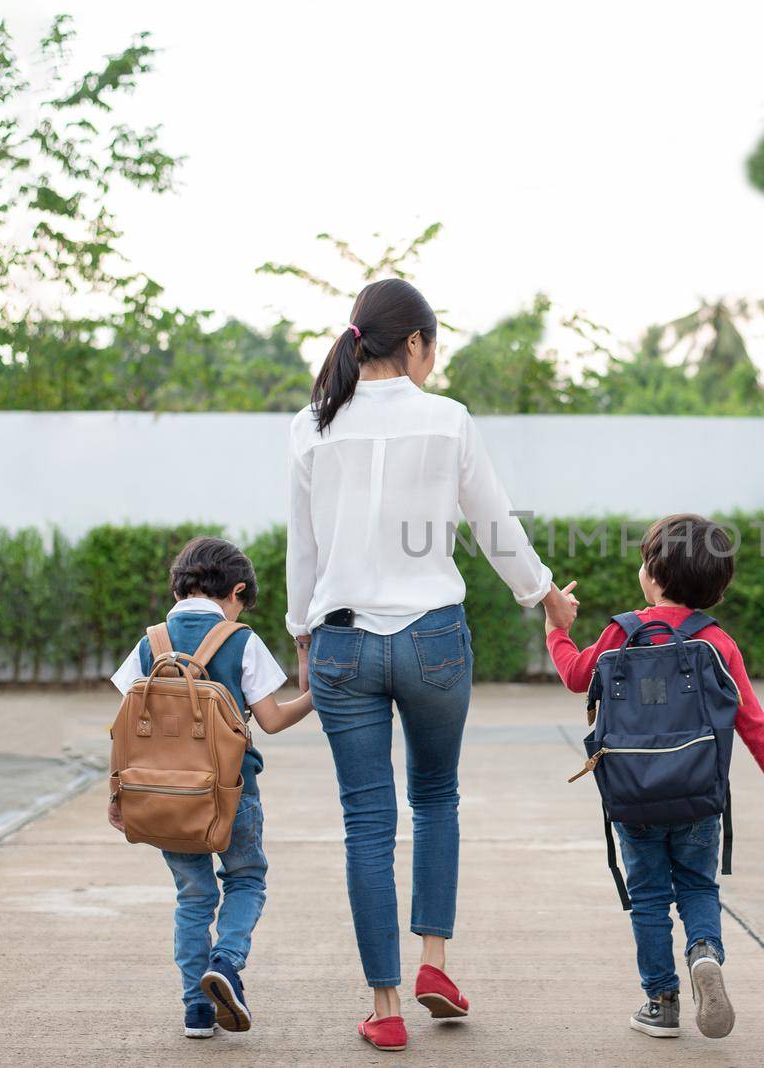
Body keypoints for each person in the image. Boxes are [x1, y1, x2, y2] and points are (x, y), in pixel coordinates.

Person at [286, 277, 578, 1053]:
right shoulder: (448, 421)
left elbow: (302, 547)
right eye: (432, 346)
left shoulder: (311, 426)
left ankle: (383, 1006)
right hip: (434, 642)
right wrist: (545, 596)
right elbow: (494, 525)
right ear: (413, 343)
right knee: (438, 798)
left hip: (342, 642)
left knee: (365, 824)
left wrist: (300, 634)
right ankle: (434, 964)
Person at [547, 514, 764, 1042]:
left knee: (648, 898)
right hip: (699, 797)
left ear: (653, 574)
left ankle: (661, 1002)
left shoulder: (622, 632)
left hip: (634, 797)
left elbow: (576, 677)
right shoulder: (717, 643)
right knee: (697, 886)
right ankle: (704, 953)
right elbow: (753, 722)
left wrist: (557, 630)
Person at [107, 536, 312, 1039]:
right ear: (236, 590)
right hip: (229, 791)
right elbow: (272, 720)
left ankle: (197, 1012)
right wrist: (316, 698)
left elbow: (124, 727)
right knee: (246, 879)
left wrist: (117, 794)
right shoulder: (240, 639)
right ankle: (227, 961)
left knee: (193, 897)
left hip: (159, 797)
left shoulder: (148, 642)